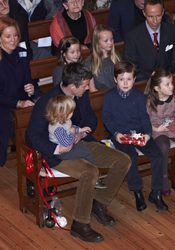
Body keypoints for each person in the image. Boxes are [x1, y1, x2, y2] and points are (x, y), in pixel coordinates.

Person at [26, 62, 131, 243]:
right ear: (73, 87)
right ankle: (79, 224)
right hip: (58, 153)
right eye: (84, 85)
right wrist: (58, 147)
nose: (88, 88)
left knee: (123, 160)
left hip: (81, 142)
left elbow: (90, 117)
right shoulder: (48, 102)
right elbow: (32, 136)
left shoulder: (80, 95)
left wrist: (82, 131)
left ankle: (99, 203)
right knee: (90, 172)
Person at [102, 60, 168, 212]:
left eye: (129, 79)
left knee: (158, 155)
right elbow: (107, 118)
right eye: (121, 79)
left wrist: (147, 134)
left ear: (134, 79)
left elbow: (145, 118)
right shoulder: (110, 97)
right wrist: (116, 133)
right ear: (115, 80)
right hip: (120, 134)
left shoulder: (139, 97)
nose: (125, 83)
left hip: (138, 133)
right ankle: (137, 191)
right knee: (131, 157)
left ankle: (156, 192)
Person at [0, 17, 41, 166]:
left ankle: (36, 166)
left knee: (42, 112)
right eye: (8, 36)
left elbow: (27, 79)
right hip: (3, 103)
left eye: (16, 35)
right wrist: (18, 102)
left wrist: (30, 87)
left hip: (21, 99)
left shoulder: (22, 53)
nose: (13, 40)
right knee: (7, 123)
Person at [46, 94, 107, 189]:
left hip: (71, 145)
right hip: (62, 153)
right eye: (70, 112)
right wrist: (71, 133)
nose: (72, 114)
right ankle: (98, 170)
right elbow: (65, 143)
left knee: (87, 147)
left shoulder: (65, 120)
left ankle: (96, 169)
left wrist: (80, 130)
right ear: (61, 113)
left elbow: (72, 127)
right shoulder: (56, 128)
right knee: (85, 151)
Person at [123, 0, 175, 81]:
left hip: (169, 81)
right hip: (145, 85)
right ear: (144, 13)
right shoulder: (132, 37)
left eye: (158, 16)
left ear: (162, 13)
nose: (155, 21)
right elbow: (131, 68)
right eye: (150, 16)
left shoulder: (171, 31)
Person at [83, 24, 120, 91]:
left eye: (111, 39)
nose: (110, 43)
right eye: (106, 41)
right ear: (97, 42)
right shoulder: (89, 63)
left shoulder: (117, 57)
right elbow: (92, 89)